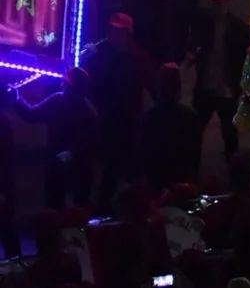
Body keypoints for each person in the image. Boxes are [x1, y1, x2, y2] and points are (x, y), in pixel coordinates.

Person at [82, 11, 155, 208]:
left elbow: (152, 83)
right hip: (104, 115)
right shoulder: (100, 53)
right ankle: (105, 203)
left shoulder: (138, 56)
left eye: (119, 31)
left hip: (128, 117)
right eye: (112, 30)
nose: (114, 34)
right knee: (108, 162)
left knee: (122, 162)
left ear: (128, 33)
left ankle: (121, 204)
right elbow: (87, 80)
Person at [11, 67, 99, 209]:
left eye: (65, 81)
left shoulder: (59, 100)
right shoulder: (87, 109)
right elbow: (92, 140)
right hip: (75, 164)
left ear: (69, 85)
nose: (62, 83)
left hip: (64, 162)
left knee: (61, 203)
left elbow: (31, 115)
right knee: (76, 203)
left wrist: (16, 98)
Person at [192, 0, 250, 158]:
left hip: (226, 87)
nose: (216, 5)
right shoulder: (205, 23)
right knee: (196, 130)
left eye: (219, 1)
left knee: (229, 133)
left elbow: (245, 59)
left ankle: (233, 166)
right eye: (214, 1)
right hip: (208, 84)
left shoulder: (239, 29)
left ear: (227, 0)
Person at [137, 61, 202, 194]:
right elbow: (195, 153)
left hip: (156, 179)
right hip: (181, 177)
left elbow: (143, 151)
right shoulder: (190, 117)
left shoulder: (150, 117)